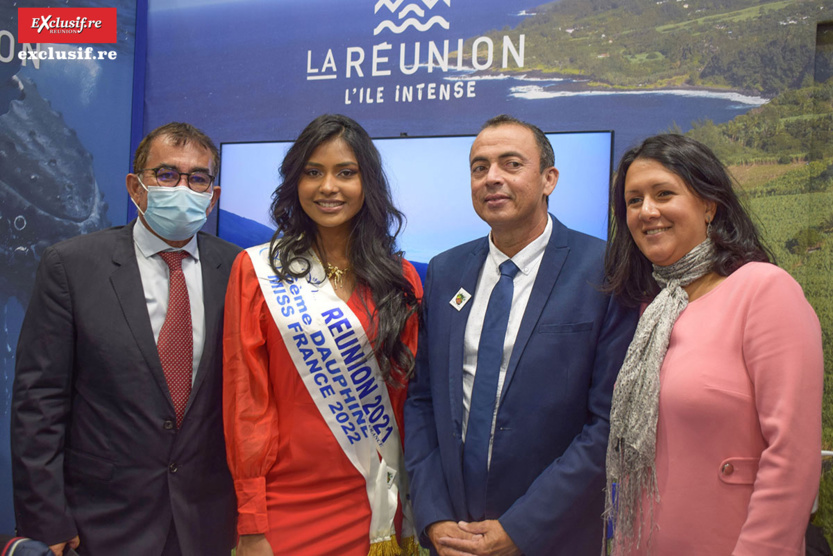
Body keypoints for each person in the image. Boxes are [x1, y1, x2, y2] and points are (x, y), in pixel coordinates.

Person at [403, 114, 638, 555]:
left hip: (551, 536)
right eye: (480, 167)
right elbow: (422, 401)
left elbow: (607, 423)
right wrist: (433, 516)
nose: (492, 178)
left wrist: (521, 528)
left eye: (511, 164)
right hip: (452, 536)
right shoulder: (445, 270)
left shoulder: (605, 270)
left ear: (549, 179)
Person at [11, 122, 240, 556]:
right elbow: (38, 402)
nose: (183, 187)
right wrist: (45, 518)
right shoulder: (72, 266)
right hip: (101, 520)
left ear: (213, 197)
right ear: (136, 188)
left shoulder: (237, 270)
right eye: (167, 174)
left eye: (197, 178)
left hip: (206, 520)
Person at [604, 134, 823, 555]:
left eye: (663, 193)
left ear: (709, 205)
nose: (647, 211)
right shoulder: (652, 310)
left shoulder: (763, 290)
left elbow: (792, 457)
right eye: (633, 201)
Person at [223, 114, 423, 555]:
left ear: (368, 183)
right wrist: (252, 520)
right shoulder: (257, 271)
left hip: (379, 499)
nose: (328, 187)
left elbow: (408, 398)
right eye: (313, 172)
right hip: (286, 502)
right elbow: (246, 400)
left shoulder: (401, 279)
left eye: (345, 173)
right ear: (295, 183)